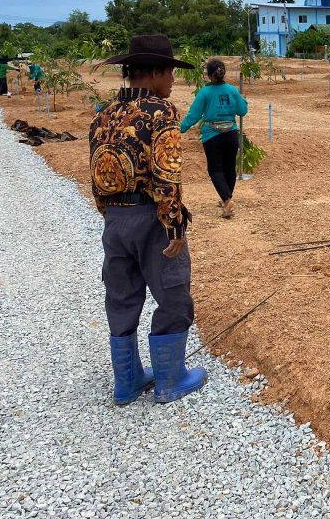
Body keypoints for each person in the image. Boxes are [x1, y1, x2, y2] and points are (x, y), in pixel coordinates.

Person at [89, 34, 206, 406]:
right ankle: (171, 379)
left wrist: (108, 214)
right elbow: (166, 173)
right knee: (172, 293)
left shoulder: (103, 114)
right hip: (151, 218)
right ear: (154, 71)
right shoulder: (161, 112)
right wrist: (173, 224)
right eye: (170, 71)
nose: (173, 79)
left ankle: (126, 382)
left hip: (115, 219)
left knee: (121, 297)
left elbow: (95, 170)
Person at [180, 59, 249, 218]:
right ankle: (227, 199)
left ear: (209, 75)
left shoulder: (204, 92)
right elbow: (242, 111)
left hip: (212, 136)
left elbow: (193, 115)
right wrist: (243, 100)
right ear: (223, 73)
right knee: (229, 167)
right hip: (231, 134)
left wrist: (180, 129)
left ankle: (226, 199)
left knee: (215, 169)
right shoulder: (232, 90)